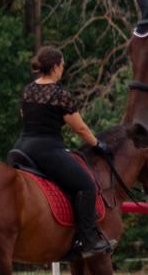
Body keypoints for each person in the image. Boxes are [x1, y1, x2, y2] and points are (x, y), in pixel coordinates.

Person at [14, 46, 110, 257]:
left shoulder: (28, 90)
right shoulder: (60, 95)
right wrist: (97, 145)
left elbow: (25, 114)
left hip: (21, 148)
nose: (63, 69)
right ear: (56, 66)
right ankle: (87, 240)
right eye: (63, 65)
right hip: (46, 150)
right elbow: (80, 128)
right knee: (86, 184)